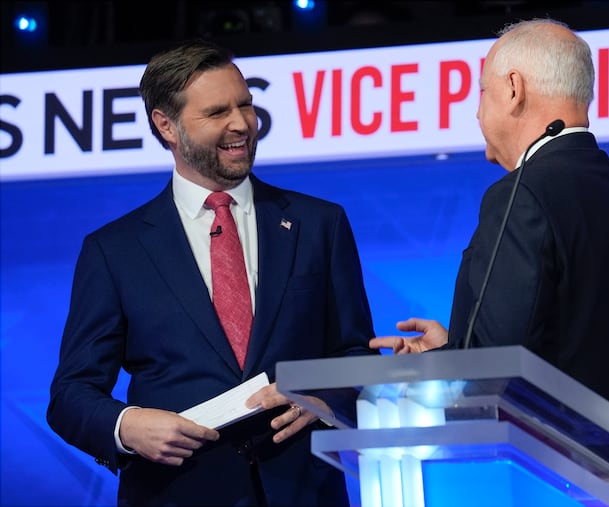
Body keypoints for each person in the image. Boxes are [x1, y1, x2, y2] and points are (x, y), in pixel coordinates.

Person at [47, 39, 376, 506]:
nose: (240, 124)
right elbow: (71, 393)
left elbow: (354, 352)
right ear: (167, 126)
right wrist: (127, 425)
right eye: (217, 112)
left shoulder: (319, 224)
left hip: (304, 489)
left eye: (245, 105)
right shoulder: (113, 250)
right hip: (176, 491)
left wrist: (320, 396)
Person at [370, 18, 609, 427]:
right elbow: (563, 342)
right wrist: (458, 347)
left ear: (513, 89)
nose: (476, 112)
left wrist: (438, 367)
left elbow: (495, 371)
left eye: (482, 93)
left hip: (536, 477)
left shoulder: (521, 194)